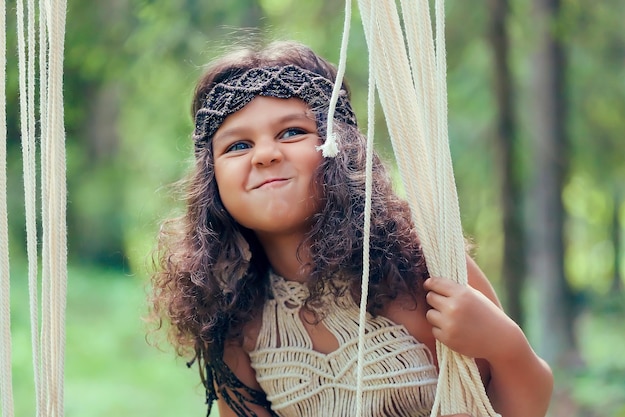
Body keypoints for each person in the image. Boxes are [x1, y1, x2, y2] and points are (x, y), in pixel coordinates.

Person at [150, 40, 553, 417]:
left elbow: (525, 405)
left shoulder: (418, 263)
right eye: (238, 145)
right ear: (211, 180)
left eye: (292, 132)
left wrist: (506, 346)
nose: (266, 155)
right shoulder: (238, 320)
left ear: (339, 150)